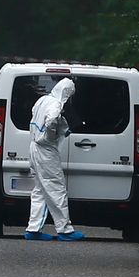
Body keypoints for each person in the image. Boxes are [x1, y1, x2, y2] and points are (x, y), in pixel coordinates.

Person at [25, 78, 85, 241]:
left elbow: (35, 115)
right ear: (66, 92)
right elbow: (51, 120)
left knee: (39, 189)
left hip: (34, 147)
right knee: (56, 188)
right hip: (46, 150)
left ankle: (34, 228)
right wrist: (52, 134)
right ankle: (65, 229)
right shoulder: (56, 105)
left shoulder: (42, 100)